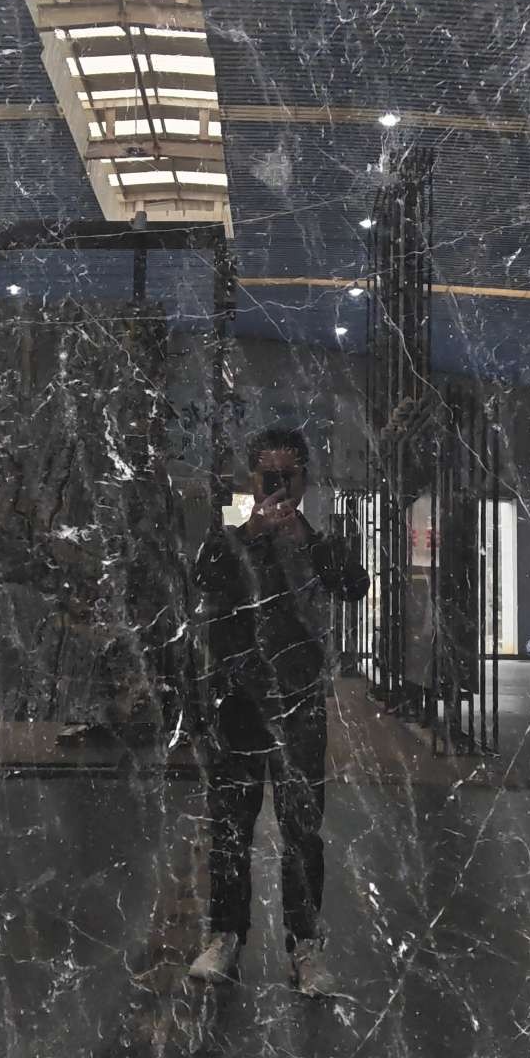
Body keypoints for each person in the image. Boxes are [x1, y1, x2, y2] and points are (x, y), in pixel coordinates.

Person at [188, 426, 369, 997]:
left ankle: (305, 946)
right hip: (239, 701)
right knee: (230, 826)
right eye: (268, 476)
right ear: (252, 478)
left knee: (302, 831)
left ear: (305, 479)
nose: (277, 486)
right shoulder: (231, 533)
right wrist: (255, 531)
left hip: (298, 701)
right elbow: (204, 577)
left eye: (287, 476)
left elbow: (355, 585)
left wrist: (300, 537)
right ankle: (225, 936)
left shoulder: (317, 538)